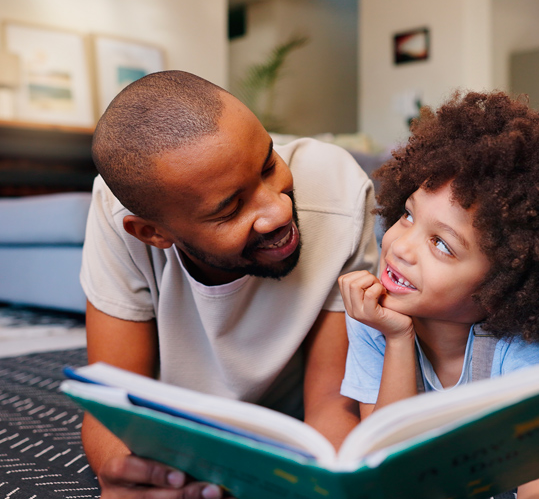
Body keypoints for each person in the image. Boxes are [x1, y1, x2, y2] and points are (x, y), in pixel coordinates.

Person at [81, 71, 377, 498]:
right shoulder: (115, 213)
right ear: (152, 233)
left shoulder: (337, 190)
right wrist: (124, 473)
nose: (278, 211)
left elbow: (332, 404)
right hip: (179, 436)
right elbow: (111, 398)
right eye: (230, 209)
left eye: (269, 165)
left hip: (292, 432)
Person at [338, 91, 539, 499]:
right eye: (408, 215)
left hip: (535, 335)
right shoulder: (372, 318)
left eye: (441, 245)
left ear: (501, 289)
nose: (400, 247)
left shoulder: (518, 350)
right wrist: (397, 338)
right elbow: (386, 463)